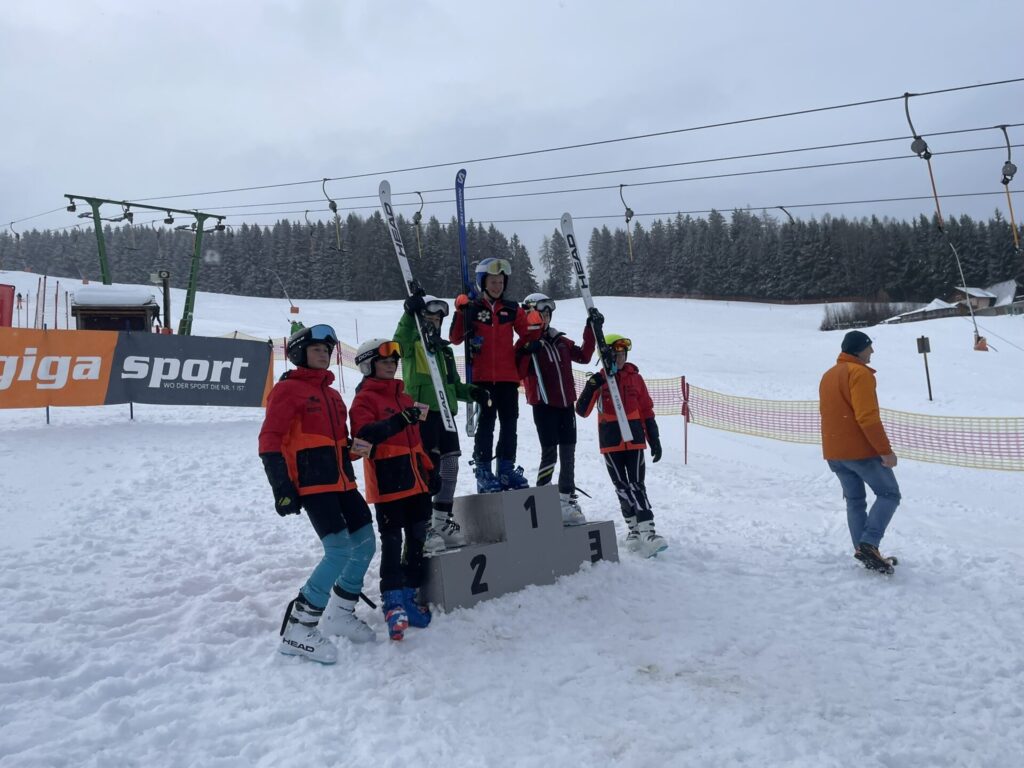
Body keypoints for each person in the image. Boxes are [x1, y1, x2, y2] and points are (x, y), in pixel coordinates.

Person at [259, 324, 376, 664]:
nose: (324, 354)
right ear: (299, 354)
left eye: (327, 349)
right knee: (338, 551)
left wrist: (362, 445)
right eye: (316, 349)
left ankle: (340, 612)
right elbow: (270, 439)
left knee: (366, 544)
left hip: (344, 483)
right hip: (314, 485)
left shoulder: (334, 396)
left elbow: (340, 445)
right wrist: (282, 487)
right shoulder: (287, 391)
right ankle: (298, 627)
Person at [349, 338, 435, 641]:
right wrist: (397, 421)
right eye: (384, 361)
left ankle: (409, 595)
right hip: (388, 483)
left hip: (416, 481)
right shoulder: (364, 400)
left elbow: (416, 442)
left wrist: (429, 469)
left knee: (417, 538)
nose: (391, 365)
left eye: (393, 361)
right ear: (368, 365)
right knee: (392, 542)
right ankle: (393, 601)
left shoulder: (406, 397)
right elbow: (361, 438)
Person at [395, 293, 489, 552]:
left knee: (450, 465)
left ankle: (441, 519)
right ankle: (423, 523)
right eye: (429, 318)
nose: (434, 323)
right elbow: (399, 342)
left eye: (438, 319)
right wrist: (408, 315)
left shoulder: (444, 351)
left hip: (445, 415)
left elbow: (453, 385)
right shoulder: (413, 345)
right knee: (428, 469)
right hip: (423, 413)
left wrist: (473, 392)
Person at [450, 257, 542, 493]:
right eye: (493, 282)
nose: (497, 286)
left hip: (508, 378)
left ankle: (505, 468)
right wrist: (460, 312)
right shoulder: (473, 308)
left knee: (509, 425)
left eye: (501, 282)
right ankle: (483, 469)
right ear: (483, 282)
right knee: (487, 425)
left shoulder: (511, 309)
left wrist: (535, 324)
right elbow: (455, 338)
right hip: (482, 379)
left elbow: (528, 335)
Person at [575, 334, 667, 558]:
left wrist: (654, 439)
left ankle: (648, 531)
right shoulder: (600, 379)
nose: (620, 359)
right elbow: (582, 410)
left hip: (634, 439)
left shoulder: (635, 378)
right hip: (611, 441)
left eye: (623, 354)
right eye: (616, 355)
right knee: (622, 487)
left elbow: (646, 410)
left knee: (636, 485)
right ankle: (633, 529)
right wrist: (593, 385)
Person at [819, 330, 901, 574]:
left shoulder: (829, 375)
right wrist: (885, 451)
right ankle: (869, 544)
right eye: (869, 346)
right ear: (858, 349)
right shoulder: (859, 373)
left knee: (855, 502)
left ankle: (865, 552)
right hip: (860, 451)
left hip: (834, 451)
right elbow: (867, 417)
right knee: (889, 494)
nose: (872, 351)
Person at [516, 293, 598, 524]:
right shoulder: (525, 342)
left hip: (566, 405)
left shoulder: (559, 340)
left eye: (548, 314)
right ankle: (544, 496)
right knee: (550, 453)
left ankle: (565, 499)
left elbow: (584, 356)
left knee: (568, 453)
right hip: (544, 405)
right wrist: (527, 350)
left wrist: (591, 329)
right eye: (541, 313)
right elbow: (518, 372)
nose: (545, 318)